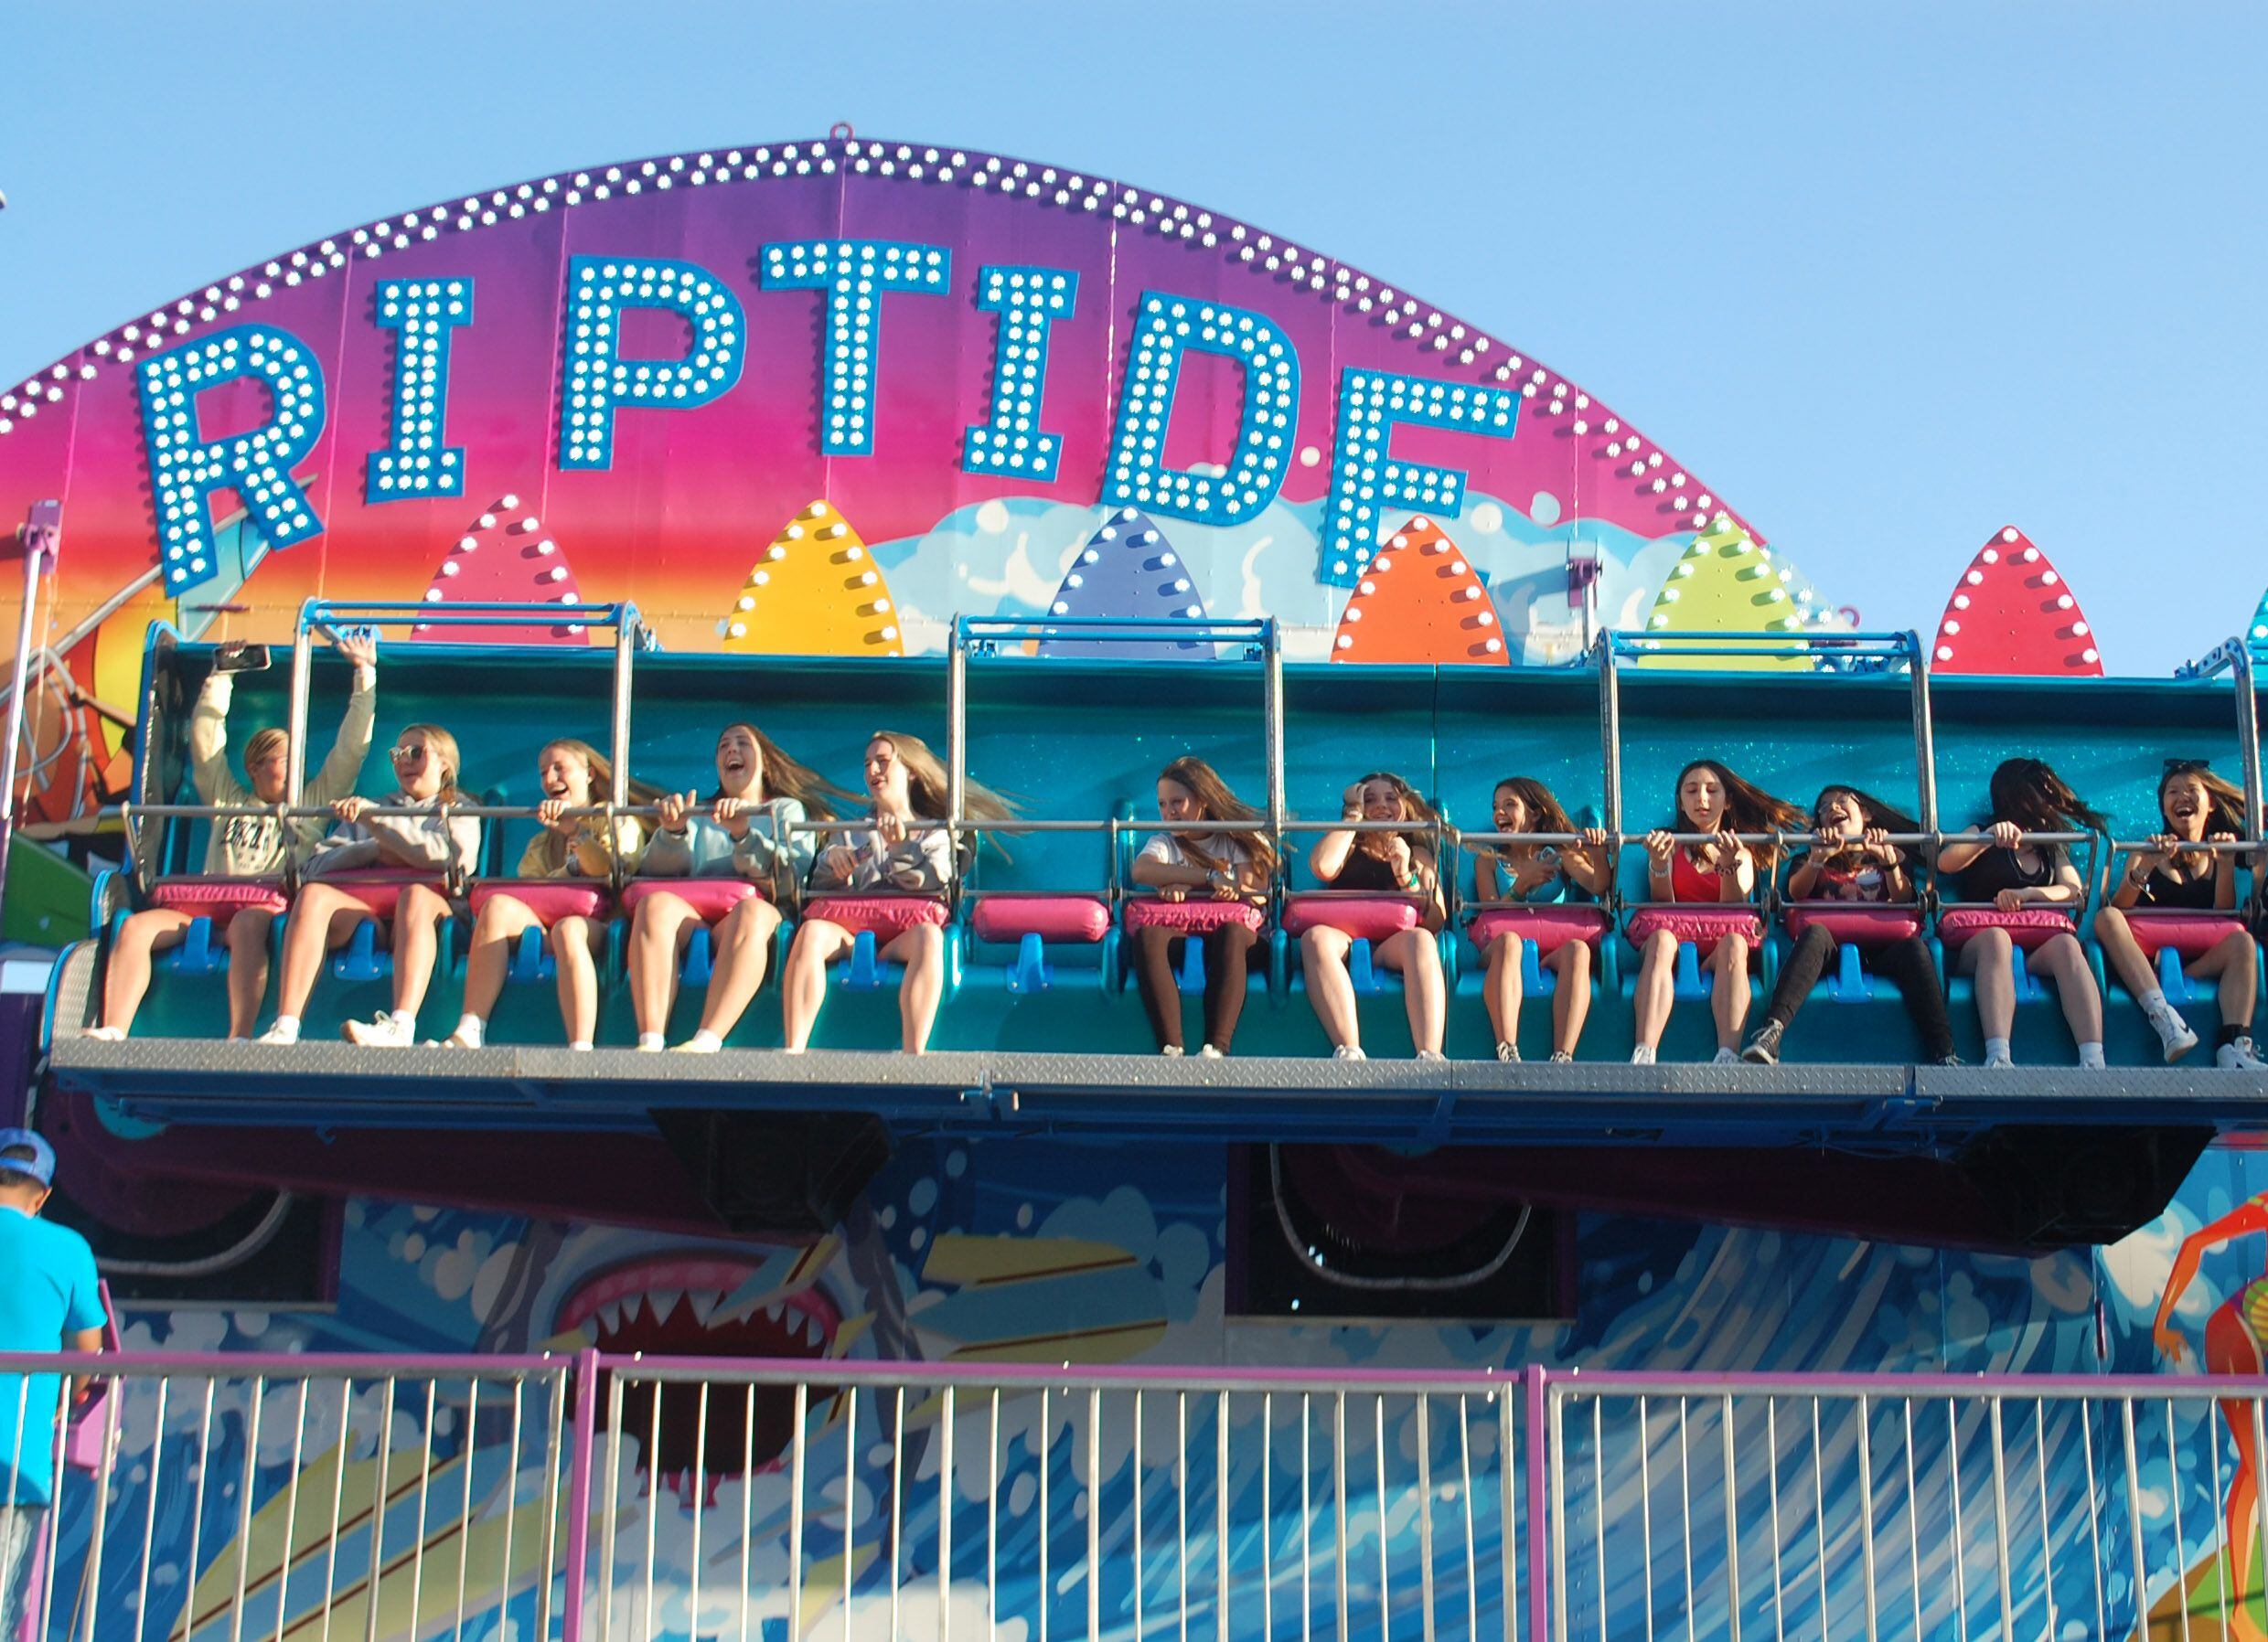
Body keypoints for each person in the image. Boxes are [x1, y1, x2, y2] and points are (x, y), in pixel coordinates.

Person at [88, 633, 377, 1041]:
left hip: (263, 910)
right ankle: (113, 1029)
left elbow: (350, 750)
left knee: (246, 926)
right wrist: (220, 678)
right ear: (256, 766)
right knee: (135, 929)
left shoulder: (312, 802)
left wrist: (365, 675)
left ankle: (238, 1036)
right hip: (207, 905)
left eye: (299, 758)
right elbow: (206, 748)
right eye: (284, 758)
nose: (297, 766)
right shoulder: (229, 801)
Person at [780, 731, 1013, 1055]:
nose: (873, 770)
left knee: (931, 938)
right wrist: (833, 867)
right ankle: (794, 1048)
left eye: (883, 761)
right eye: (867, 764)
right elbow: (820, 890)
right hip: (853, 934)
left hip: (903, 938)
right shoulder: (851, 831)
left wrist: (901, 848)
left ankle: (912, 1052)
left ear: (911, 771)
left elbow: (932, 880)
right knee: (811, 933)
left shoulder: (937, 832)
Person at [626, 723, 849, 1052]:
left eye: (742, 744)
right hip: (700, 911)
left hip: (753, 912)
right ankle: (650, 1039)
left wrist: (743, 836)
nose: (732, 750)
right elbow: (655, 871)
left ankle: (707, 1038)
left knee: (754, 913)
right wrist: (673, 833)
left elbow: (789, 879)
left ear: (764, 762)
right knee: (655, 905)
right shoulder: (700, 811)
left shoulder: (784, 810)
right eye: (724, 746)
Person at [256, 724, 482, 1046]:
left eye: (416, 752)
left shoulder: (459, 808)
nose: (404, 760)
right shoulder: (370, 808)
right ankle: (285, 1026)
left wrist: (380, 825)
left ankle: (400, 1026)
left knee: (415, 896)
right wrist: (374, 848)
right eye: (397, 754)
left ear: (445, 763)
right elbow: (314, 867)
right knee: (313, 896)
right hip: (370, 912)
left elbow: (455, 860)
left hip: (433, 916)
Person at [444, 740, 647, 1051]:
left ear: (590, 774)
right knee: (498, 907)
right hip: (546, 926)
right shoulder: (541, 843)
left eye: (559, 769)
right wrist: (567, 867)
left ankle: (581, 1046)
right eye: (543, 773)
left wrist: (575, 834)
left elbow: (608, 873)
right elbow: (530, 891)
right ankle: (470, 1028)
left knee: (569, 929)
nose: (550, 779)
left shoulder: (616, 821)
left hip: (602, 927)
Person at [1739, 785, 1958, 1065]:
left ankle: (1944, 1050)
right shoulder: (1809, 857)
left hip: (1883, 948)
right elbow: (1797, 893)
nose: (1833, 809)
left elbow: (1904, 899)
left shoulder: (1892, 854)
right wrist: (1819, 858)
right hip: (1830, 950)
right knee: (1815, 935)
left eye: (1842, 801)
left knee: (1915, 949)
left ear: (1865, 813)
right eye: (1824, 807)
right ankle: (1772, 1032)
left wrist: (1888, 861)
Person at [0, 1130, 104, 1642]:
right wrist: (73, 1393)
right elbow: (89, 1350)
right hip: (14, 1463)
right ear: (41, 1196)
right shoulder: (66, 1247)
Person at [1630, 760, 1804, 1065]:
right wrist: (1659, 864)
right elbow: (1662, 905)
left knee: (1735, 944)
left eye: (1712, 790)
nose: (1702, 799)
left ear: (1727, 801)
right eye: (1692, 791)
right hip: (1674, 941)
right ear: (1681, 803)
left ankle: (1727, 1054)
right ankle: (1645, 1049)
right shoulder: (1668, 842)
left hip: (1719, 944)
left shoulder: (1742, 849)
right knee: (1660, 940)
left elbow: (1733, 908)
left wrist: (1727, 864)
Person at [2093, 759, 2264, 1070]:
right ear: (2164, 807)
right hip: (2147, 965)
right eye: (2173, 792)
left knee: (2243, 944)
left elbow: (2221, 915)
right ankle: (2165, 1020)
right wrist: (2146, 865)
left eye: (2191, 790)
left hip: (2199, 962)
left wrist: (2224, 864)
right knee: (2107, 918)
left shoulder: (2218, 853)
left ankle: (2235, 1047)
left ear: (2209, 804)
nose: (2182, 797)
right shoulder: (2146, 850)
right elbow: (2119, 908)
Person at [1935, 757, 2105, 1068]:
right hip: (1980, 947)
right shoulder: (1982, 830)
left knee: (2068, 947)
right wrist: (1987, 839)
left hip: (2032, 949)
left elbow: (2071, 889)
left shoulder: (2048, 845)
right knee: (1997, 940)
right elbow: (1946, 862)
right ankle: (1999, 1055)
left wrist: (2028, 894)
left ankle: (2093, 1057)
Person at [2153, 1190, 2268, 1642]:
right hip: (2237, 1330)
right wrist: (2163, 1321)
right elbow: (2195, 1243)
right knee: (2257, 1465)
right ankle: (2241, 1609)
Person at [1127, 757, 1275, 1058]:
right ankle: (1171, 1047)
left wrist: (1200, 888)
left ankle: (1216, 1047)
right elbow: (1142, 871)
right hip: (1187, 937)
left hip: (1238, 942)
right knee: (1149, 936)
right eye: (1162, 805)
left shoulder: (1238, 838)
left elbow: (1255, 891)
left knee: (1232, 933)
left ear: (1203, 800)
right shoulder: (1164, 843)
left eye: (1177, 803)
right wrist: (1206, 879)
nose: (1169, 813)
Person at [1300, 771, 1447, 1061]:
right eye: (1370, 799)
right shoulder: (1347, 846)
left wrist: (1405, 874)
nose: (1381, 805)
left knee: (1421, 940)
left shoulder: (1417, 853)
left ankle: (1429, 1054)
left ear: (1405, 807)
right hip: (1345, 937)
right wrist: (1352, 818)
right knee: (1314, 939)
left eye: (1391, 798)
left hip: (1393, 942)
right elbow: (1322, 867)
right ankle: (1349, 1049)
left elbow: (1436, 920)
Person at [1471, 777, 1612, 1062]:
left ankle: (1563, 1054)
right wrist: (1520, 887)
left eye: (1510, 804)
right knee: (1510, 942)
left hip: (1550, 949)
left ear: (1535, 814)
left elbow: (1598, 886)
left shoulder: (1560, 854)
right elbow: (1490, 916)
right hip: (1501, 951)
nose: (1500, 812)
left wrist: (1598, 856)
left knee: (1579, 951)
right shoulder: (1487, 860)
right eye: (1496, 806)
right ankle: (1507, 1048)